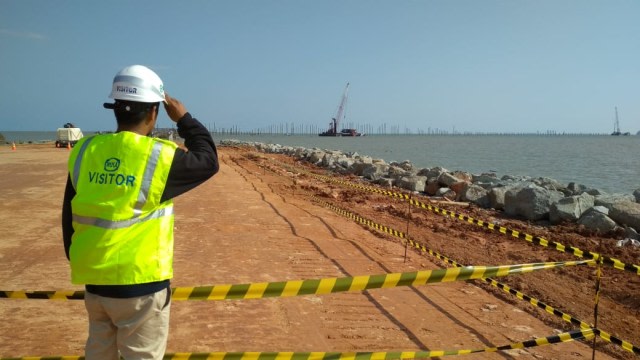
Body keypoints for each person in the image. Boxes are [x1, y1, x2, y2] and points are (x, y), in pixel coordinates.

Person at [62, 65, 219, 359]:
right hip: (141, 286)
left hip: (95, 283)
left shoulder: (85, 150)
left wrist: (82, 258)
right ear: (153, 113)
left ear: (116, 110)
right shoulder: (159, 157)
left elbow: (69, 213)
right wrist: (185, 119)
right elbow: (208, 160)